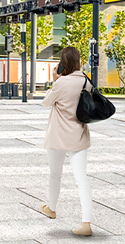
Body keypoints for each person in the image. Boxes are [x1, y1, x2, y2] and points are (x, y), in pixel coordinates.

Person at [39, 46, 93, 236]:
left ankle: (52, 209)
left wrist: (55, 80)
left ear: (63, 63)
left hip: (58, 136)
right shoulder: (86, 81)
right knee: (82, 179)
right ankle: (86, 223)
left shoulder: (61, 83)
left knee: (55, 174)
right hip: (78, 136)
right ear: (78, 62)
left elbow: (46, 103)